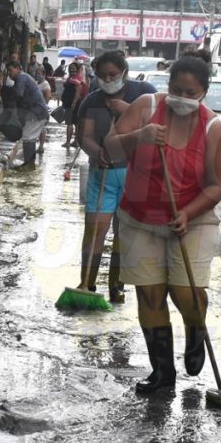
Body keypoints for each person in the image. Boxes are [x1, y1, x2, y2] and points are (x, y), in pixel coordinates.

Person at [105, 49, 221, 393]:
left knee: (185, 292)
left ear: (204, 92)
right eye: (176, 89)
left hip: (191, 221)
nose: (182, 98)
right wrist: (140, 136)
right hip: (139, 217)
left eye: (191, 93)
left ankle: (195, 326)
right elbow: (110, 148)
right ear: (168, 85)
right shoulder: (146, 108)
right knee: (149, 295)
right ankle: (163, 375)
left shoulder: (214, 128)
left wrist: (188, 212)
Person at [76, 51, 157, 304]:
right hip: (103, 175)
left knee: (124, 233)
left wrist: (129, 109)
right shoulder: (91, 101)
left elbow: (158, 124)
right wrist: (95, 151)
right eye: (101, 76)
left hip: (136, 176)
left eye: (112, 74)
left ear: (124, 72)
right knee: (95, 230)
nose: (107, 80)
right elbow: (85, 136)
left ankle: (117, 285)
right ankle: (86, 283)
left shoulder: (144, 94)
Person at [6, 60, 50, 170]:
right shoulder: (22, 78)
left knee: (28, 138)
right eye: (8, 71)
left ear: (17, 68)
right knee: (28, 138)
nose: (9, 73)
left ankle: (29, 165)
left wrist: (8, 93)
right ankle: (29, 163)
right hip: (35, 113)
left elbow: (18, 94)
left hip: (36, 113)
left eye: (10, 70)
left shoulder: (21, 78)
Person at [61, 62, 89, 148]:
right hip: (71, 102)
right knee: (75, 123)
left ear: (77, 69)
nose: (72, 70)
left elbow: (78, 91)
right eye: (70, 68)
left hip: (72, 103)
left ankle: (68, 142)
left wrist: (74, 102)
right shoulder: (73, 77)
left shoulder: (77, 78)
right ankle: (75, 142)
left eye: (73, 68)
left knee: (70, 123)